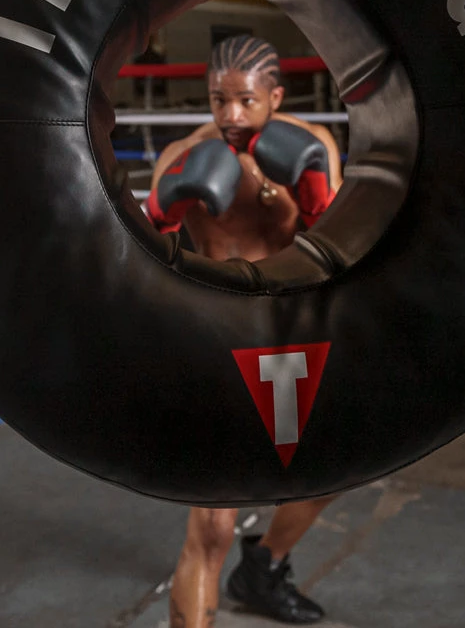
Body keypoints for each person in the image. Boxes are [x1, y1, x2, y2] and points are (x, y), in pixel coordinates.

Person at [144, 34, 343, 626]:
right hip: (216, 335)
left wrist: (305, 193)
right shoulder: (186, 153)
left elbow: (338, 244)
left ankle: (266, 566)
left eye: (246, 101)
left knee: (333, 469)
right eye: (217, 100)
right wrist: (164, 208)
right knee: (212, 523)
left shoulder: (313, 145)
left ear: (275, 97)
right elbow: (142, 254)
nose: (230, 115)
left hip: (288, 333)